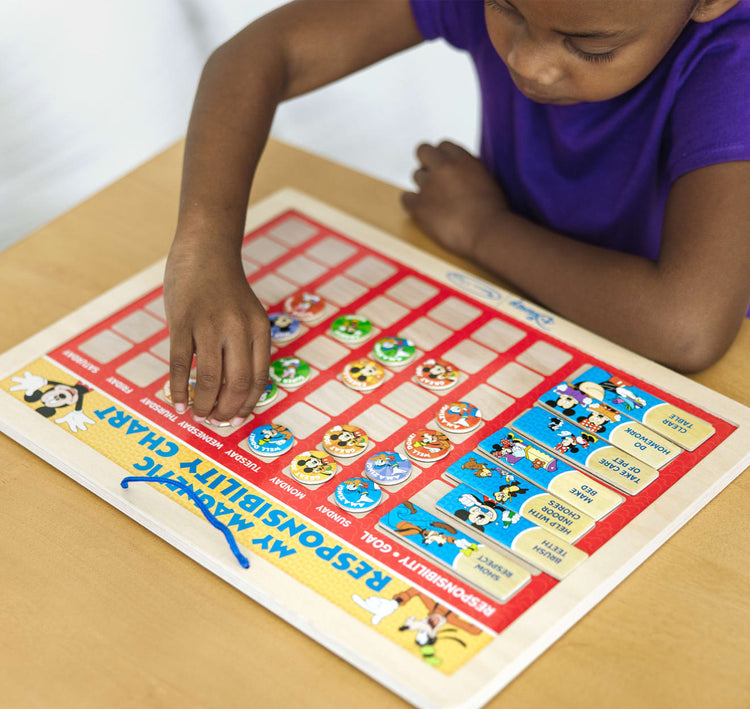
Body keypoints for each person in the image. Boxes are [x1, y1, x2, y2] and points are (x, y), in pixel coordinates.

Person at [163, 0, 750, 427]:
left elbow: (685, 327)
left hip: (691, 381)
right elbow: (261, 52)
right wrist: (203, 248)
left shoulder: (736, 61)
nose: (529, 62)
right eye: (505, 8)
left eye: (590, 47)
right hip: (516, 317)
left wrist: (483, 229)